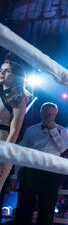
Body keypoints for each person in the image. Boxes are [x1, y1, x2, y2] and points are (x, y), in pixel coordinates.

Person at [7, 102, 68, 225]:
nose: (48, 115)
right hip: (30, 172)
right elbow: (20, 153)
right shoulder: (30, 130)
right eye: (46, 113)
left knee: (46, 214)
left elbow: (62, 148)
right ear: (41, 113)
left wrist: (52, 129)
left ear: (55, 114)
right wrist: (14, 175)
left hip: (50, 173)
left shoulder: (61, 130)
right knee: (22, 211)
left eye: (51, 113)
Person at [0, 57, 30, 191]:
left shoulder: (19, 97)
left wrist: (4, 155)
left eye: (7, 71)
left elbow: (14, 131)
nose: (1, 73)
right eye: (1, 70)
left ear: (16, 76)